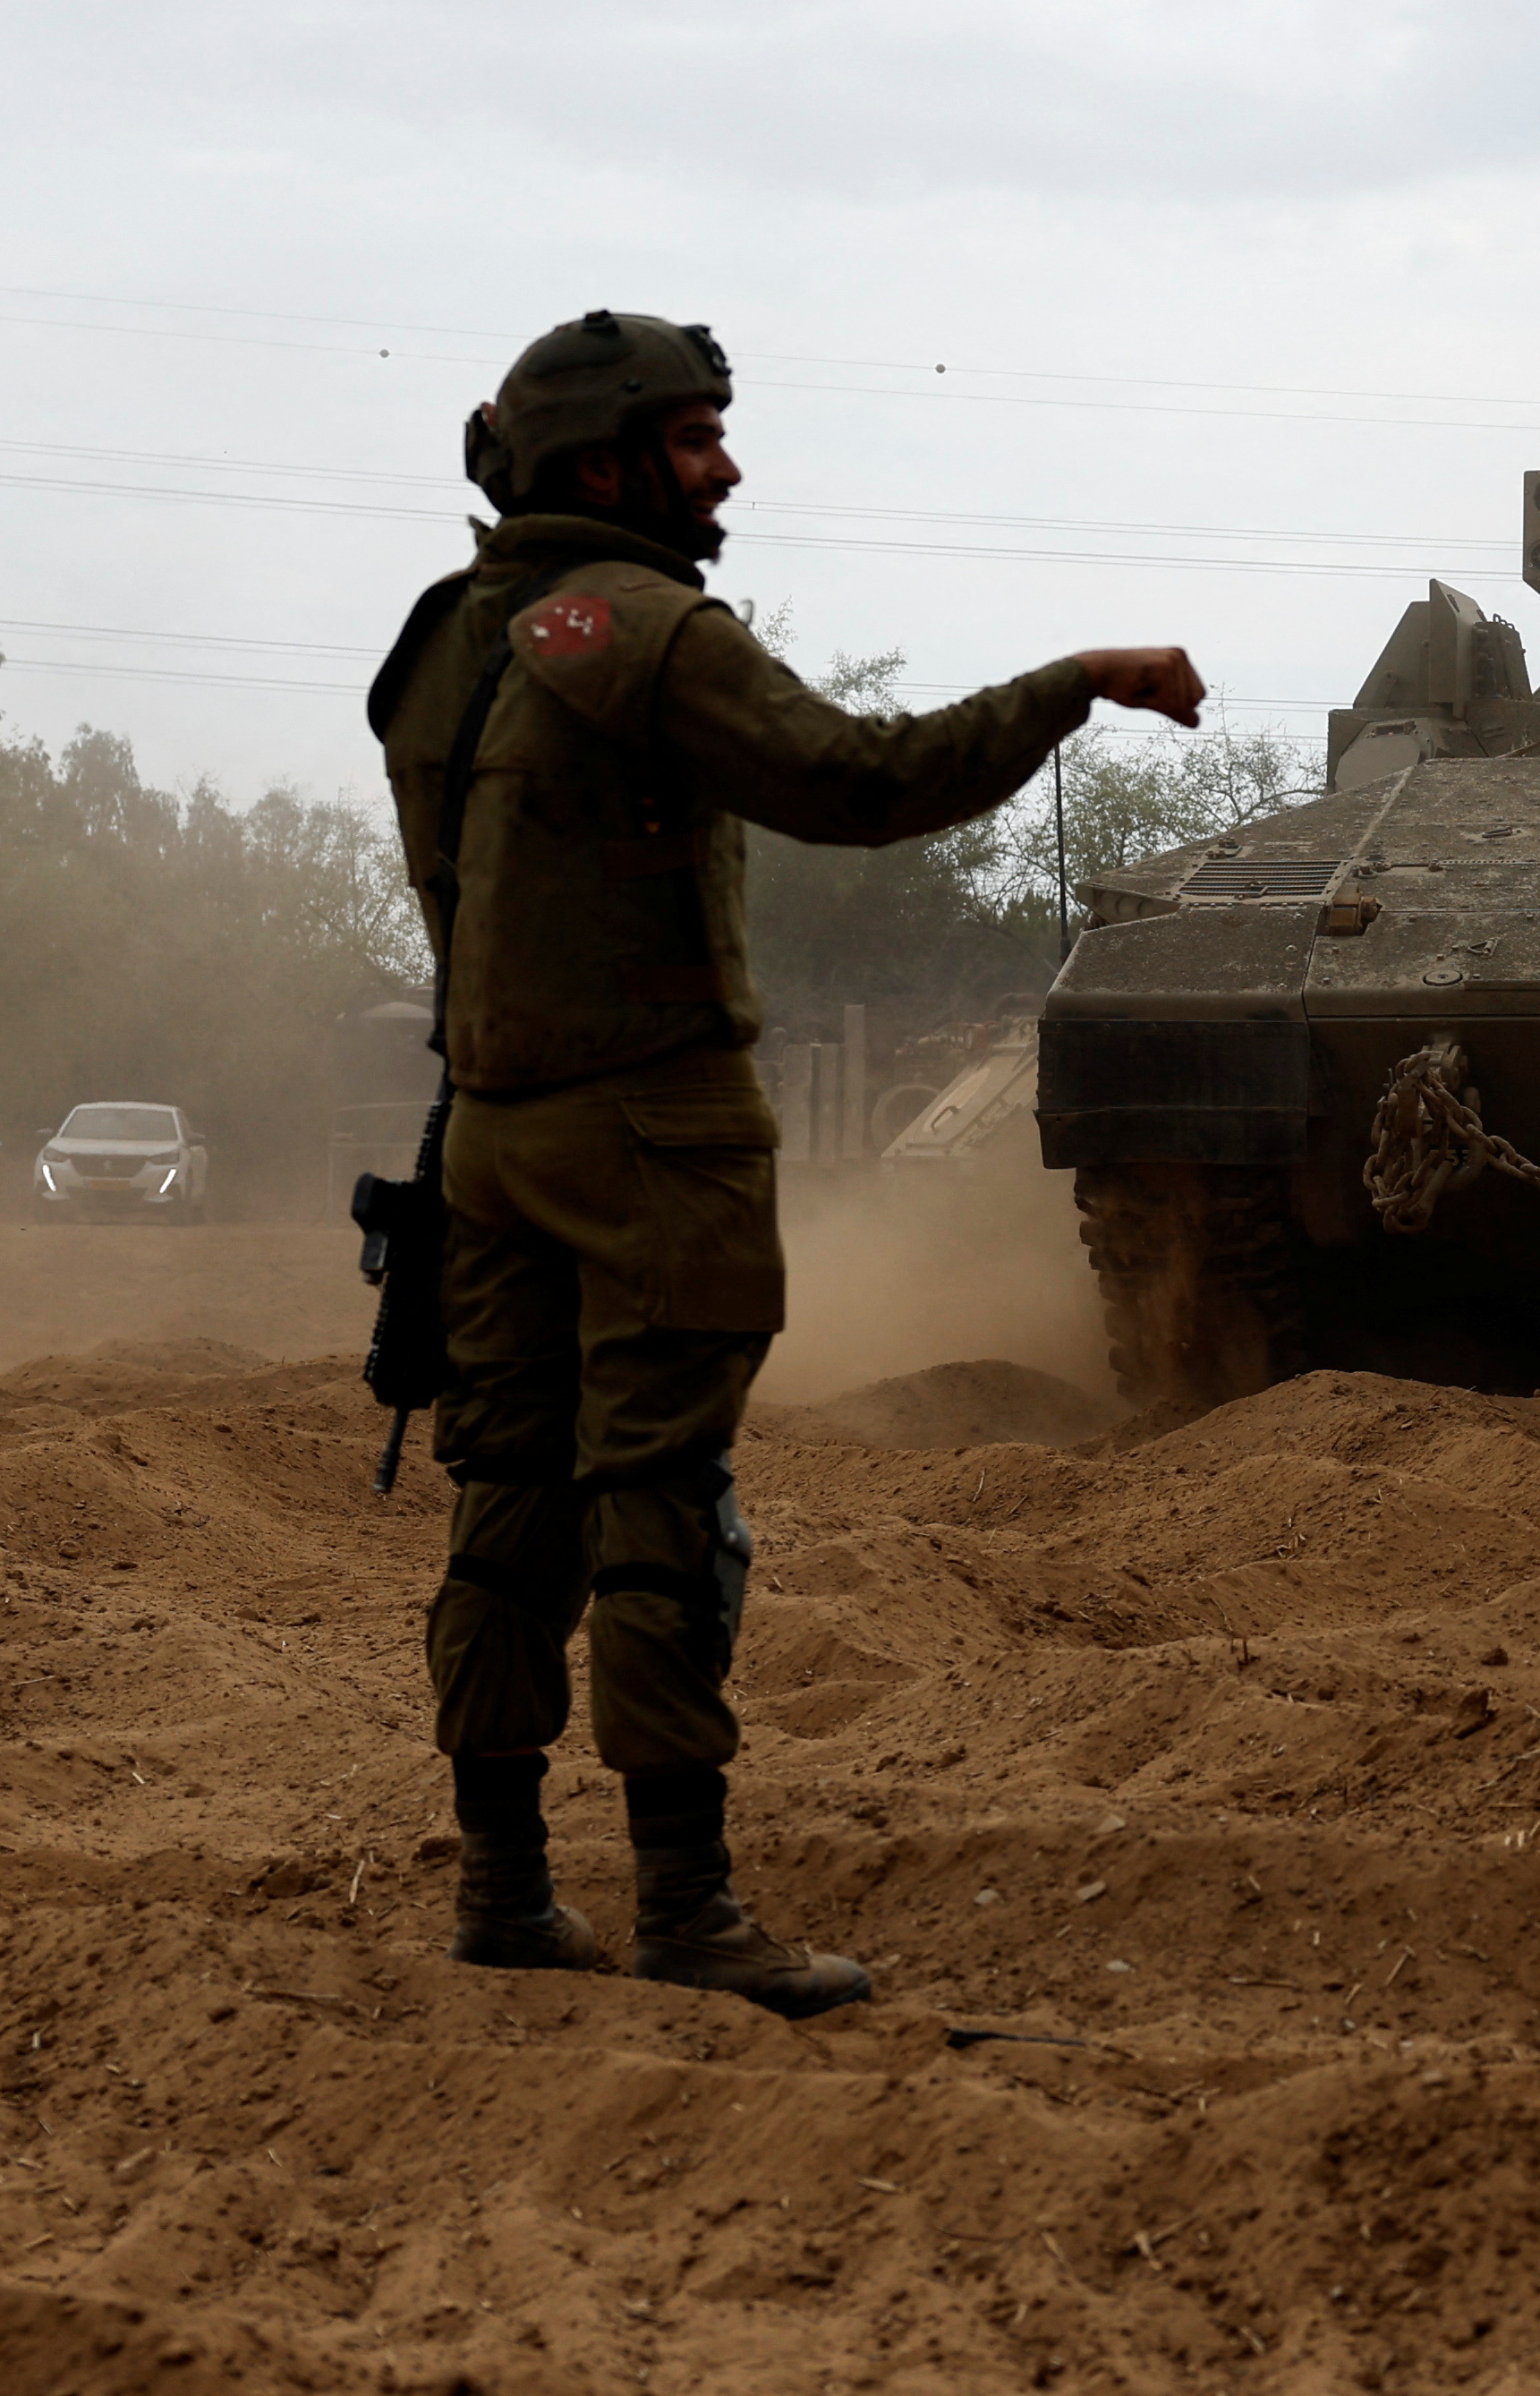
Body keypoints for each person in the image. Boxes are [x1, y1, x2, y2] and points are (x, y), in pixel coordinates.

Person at [371, 310, 1205, 2018]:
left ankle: (504, 1890)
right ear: (600, 465)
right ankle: (687, 1910)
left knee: (503, 1515)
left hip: (488, 1142)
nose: (728, 467)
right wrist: (1076, 684)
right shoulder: (655, 636)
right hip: (651, 1140)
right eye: (695, 442)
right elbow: (860, 779)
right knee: (661, 1523)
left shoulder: (443, 643)